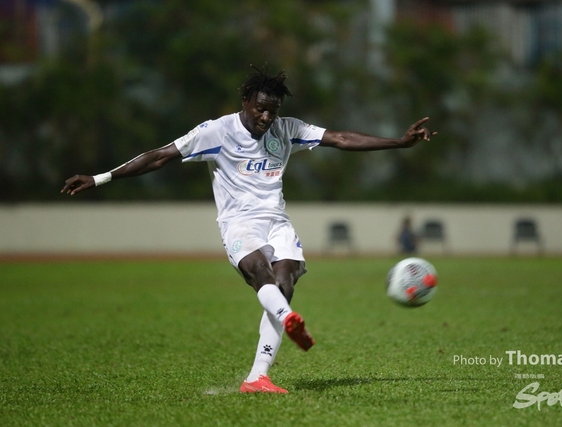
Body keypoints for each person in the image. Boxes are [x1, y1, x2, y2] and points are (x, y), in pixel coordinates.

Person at [61, 66, 436, 394]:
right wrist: (99, 178)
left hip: (277, 221)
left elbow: (340, 139)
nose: (267, 117)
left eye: (273, 111)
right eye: (260, 109)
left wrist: (398, 143)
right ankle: (288, 319)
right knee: (261, 274)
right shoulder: (216, 132)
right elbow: (159, 157)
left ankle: (258, 377)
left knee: (285, 282)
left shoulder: (287, 129)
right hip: (238, 223)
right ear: (245, 101)